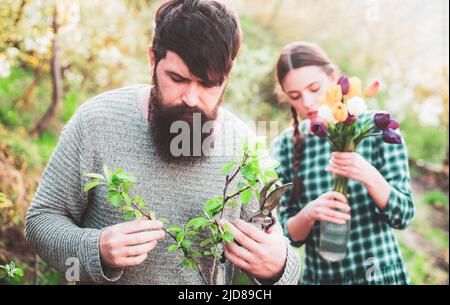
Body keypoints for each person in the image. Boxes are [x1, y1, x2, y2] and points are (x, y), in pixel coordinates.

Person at [25, 0, 301, 285]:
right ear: (153, 60)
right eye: (178, 78)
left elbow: (282, 263)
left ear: (227, 77)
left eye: (208, 84)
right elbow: (41, 222)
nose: (192, 98)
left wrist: (277, 268)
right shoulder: (96, 121)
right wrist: (95, 249)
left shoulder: (247, 152)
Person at [272, 41, 414, 284]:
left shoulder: (375, 128)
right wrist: (310, 212)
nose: (306, 102)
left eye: (314, 88)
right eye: (295, 96)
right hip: (322, 278)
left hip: (381, 277)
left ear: (334, 78)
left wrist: (369, 175)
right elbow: (289, 236)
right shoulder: (287, 144)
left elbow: (403, 216)